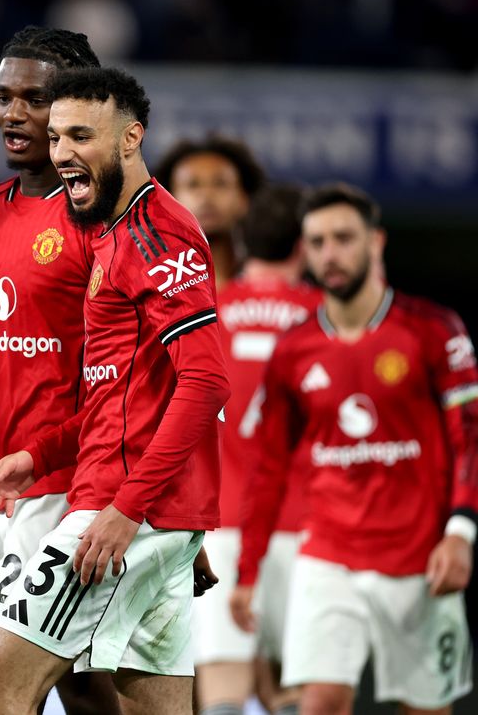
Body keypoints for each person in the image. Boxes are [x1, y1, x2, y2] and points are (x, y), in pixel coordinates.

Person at [0, 67, 229, 715]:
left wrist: (129, 509)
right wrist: (37, 456)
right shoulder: (114, 233)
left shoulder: (157, 232)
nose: (61, 152)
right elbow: (118, 397)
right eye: (56, 137)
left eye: (81, 135)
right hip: (152, 514)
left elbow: (205, 381)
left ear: (130, 138)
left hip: (121, 512)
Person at [0, 25, 122, 715]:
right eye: (3, 96)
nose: (11, 112)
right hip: (13, 495)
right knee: (79, 687)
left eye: (32, 99)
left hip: (85, 489)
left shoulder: (109, 217)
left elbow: (147, 373)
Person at [232, 183, 477, 715]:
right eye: (317, 242)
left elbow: (469, 438)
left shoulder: (435, 331)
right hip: (328, 556)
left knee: (426, 709)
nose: (330, 254)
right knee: (319, 701)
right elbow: (269, 467)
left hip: (418, 559)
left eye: (344, 238)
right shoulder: (294, 350)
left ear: (377, 242)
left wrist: (460, 533)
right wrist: (248, 570)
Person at [192, 183, 319, 715]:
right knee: (301, 687)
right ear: (304, 247)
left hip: (221, 521)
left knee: (222, 685)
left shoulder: (206, 312)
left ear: (242, 243)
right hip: (308, 527)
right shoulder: (326, 319)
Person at [155, 136, 266, 288]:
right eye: (193, 185)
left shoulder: (272, 279)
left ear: (244, 200)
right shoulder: (151, 285)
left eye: (220, 184)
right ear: (168, 201)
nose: (206, 196)